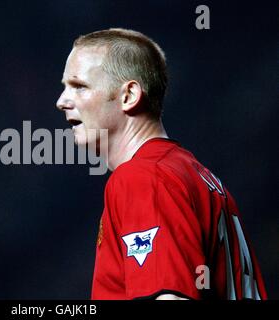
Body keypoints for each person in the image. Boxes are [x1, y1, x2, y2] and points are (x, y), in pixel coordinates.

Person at [56, 28, 267, 300]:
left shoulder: (144, 177)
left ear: (129, 95)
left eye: (79, 86)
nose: (61, 101)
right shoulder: (198, 176)